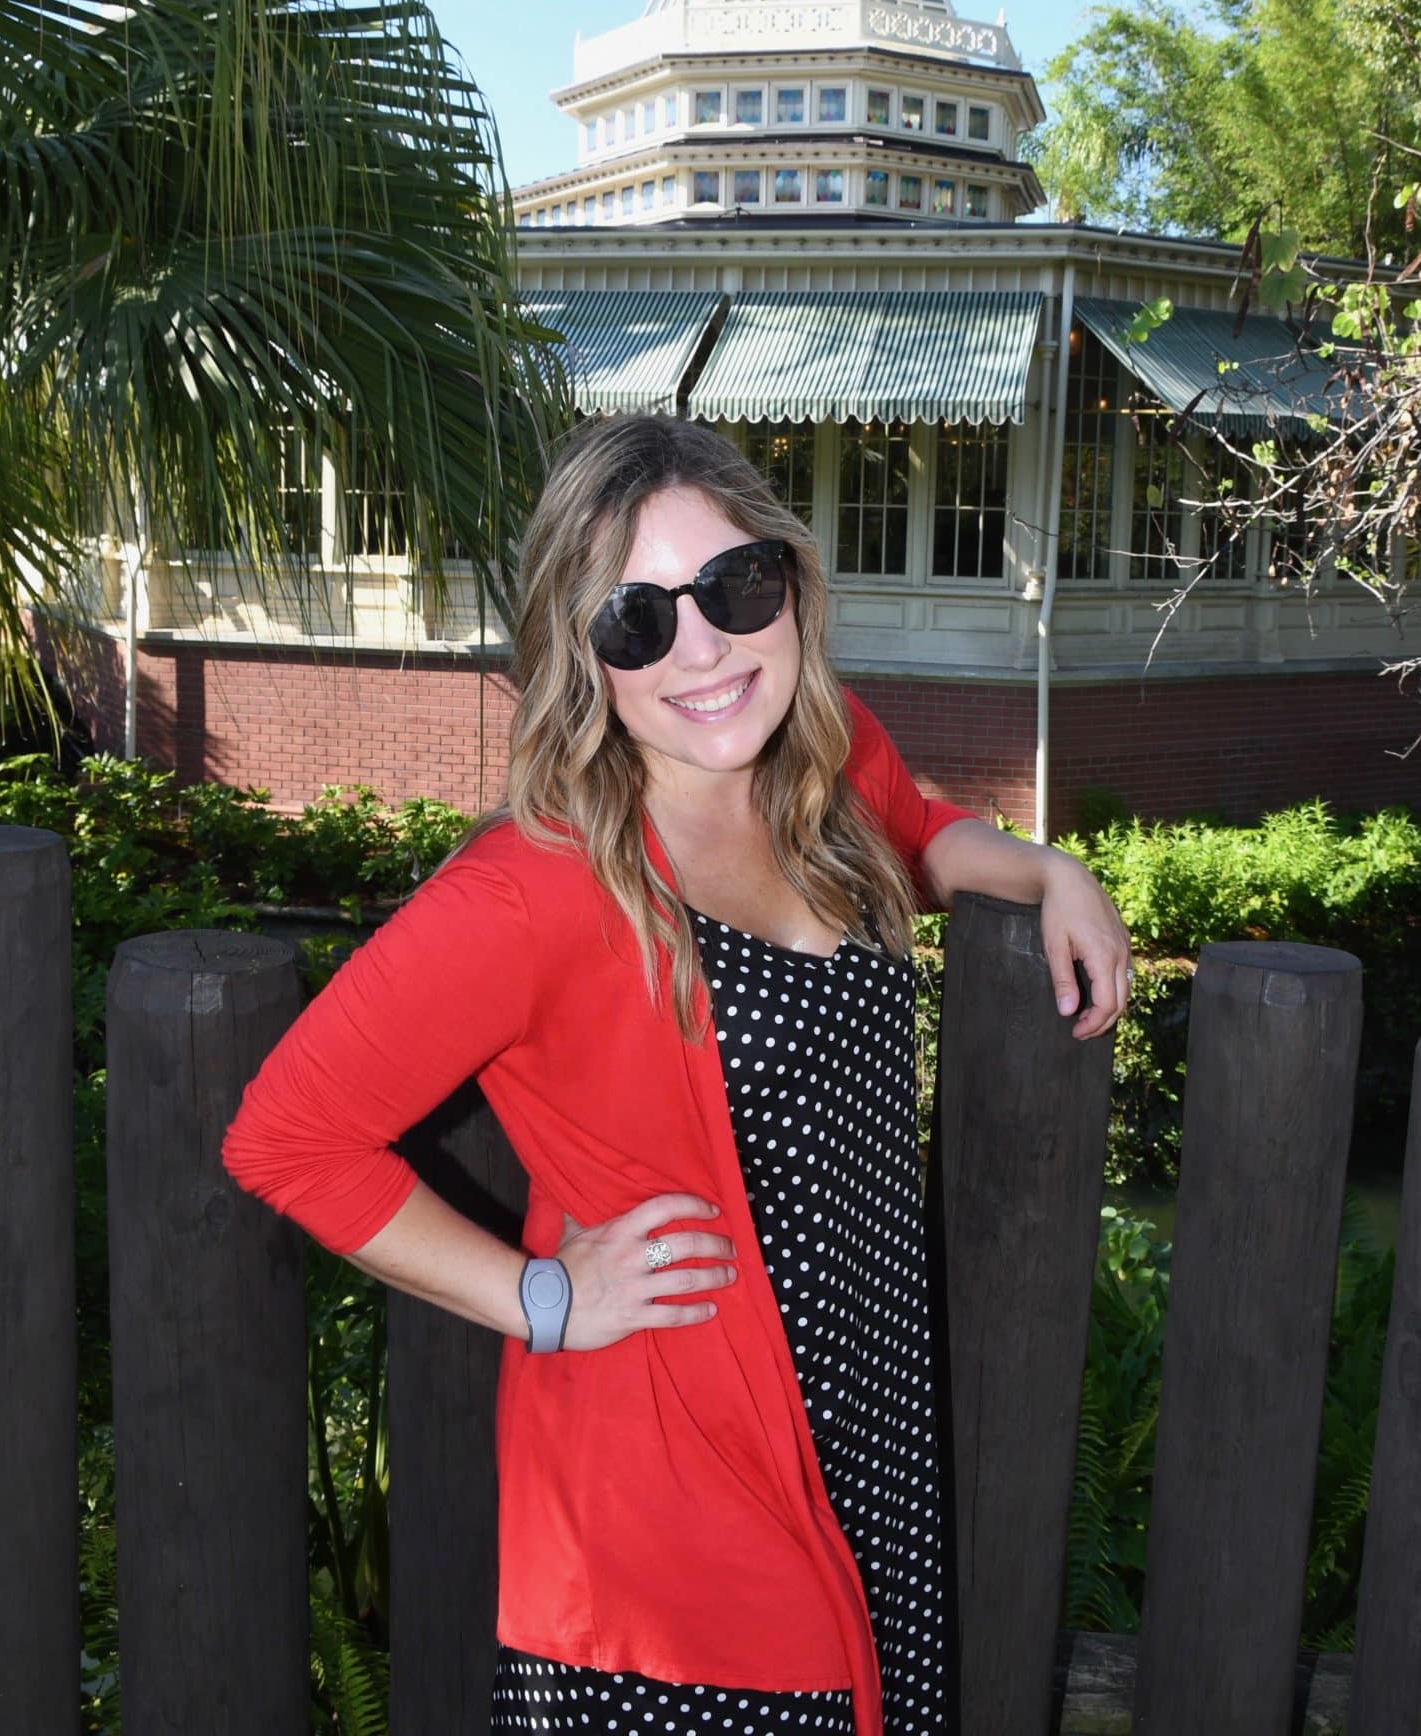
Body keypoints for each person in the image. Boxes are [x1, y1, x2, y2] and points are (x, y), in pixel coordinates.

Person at [222, 413, 1130, 1736]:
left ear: (792, 584)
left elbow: (918, 829)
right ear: (580, 658)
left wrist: (1041, 867)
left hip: (867, 1456)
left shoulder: (814, 767)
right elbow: (287, 1137)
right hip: (671, 1544)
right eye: (635, 621)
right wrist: (538, 1296)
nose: (701, 648)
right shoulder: (536, 885)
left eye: (734, 588)